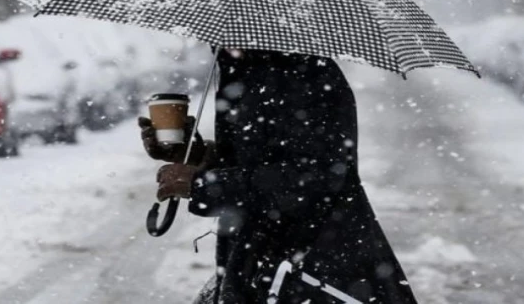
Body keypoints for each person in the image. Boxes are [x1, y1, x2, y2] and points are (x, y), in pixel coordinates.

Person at [139, 49, 417, 303]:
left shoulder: (307, 75)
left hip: (310, 262)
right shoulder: (243, 68)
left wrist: (205, 185)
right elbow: (255, 156)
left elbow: (315, 177)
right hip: (257, 261)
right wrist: (194, 153)